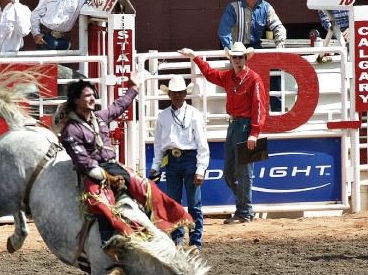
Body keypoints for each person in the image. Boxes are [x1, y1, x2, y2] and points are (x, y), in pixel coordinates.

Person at [57, 74, 193, 245]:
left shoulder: (99, 117)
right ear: (77, 101)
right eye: (87, 95)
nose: (92, 98)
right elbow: (84, 162)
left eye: (92, 94)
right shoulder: (71, 130)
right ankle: (110, 246)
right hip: (93, 174)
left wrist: (134, 88)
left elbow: (119, 106)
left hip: (114, 166)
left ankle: (174, 229)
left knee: (148, 188)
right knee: (101, 204)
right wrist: (110, 179)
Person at [179, 43, 267, 224]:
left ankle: (244, 210)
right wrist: (195, 57)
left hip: (245, 126)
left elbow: (259, 106)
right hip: (235, 125)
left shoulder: (254, 79)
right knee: (230, 172)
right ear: (231, 59)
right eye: (235, 57)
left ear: (245, 58)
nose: (237, 60)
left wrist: (254, 132)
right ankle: (245, 206)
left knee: (243, 172)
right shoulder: (230, 77)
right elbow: (210, 73)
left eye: (240, 57)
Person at [149, 75, 209, 251]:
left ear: (185, 94)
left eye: (179, 93)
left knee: (194, 203)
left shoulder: (195, 115)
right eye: (174, 93)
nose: (176, 96)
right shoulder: (163, 116)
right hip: (172, 160)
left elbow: (202, 144)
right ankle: (178, 239)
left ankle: (195, 241)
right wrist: (155, 167)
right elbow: (158, 145)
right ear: (170, 95)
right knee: (174, 203)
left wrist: (201, 168)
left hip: (190, 158)